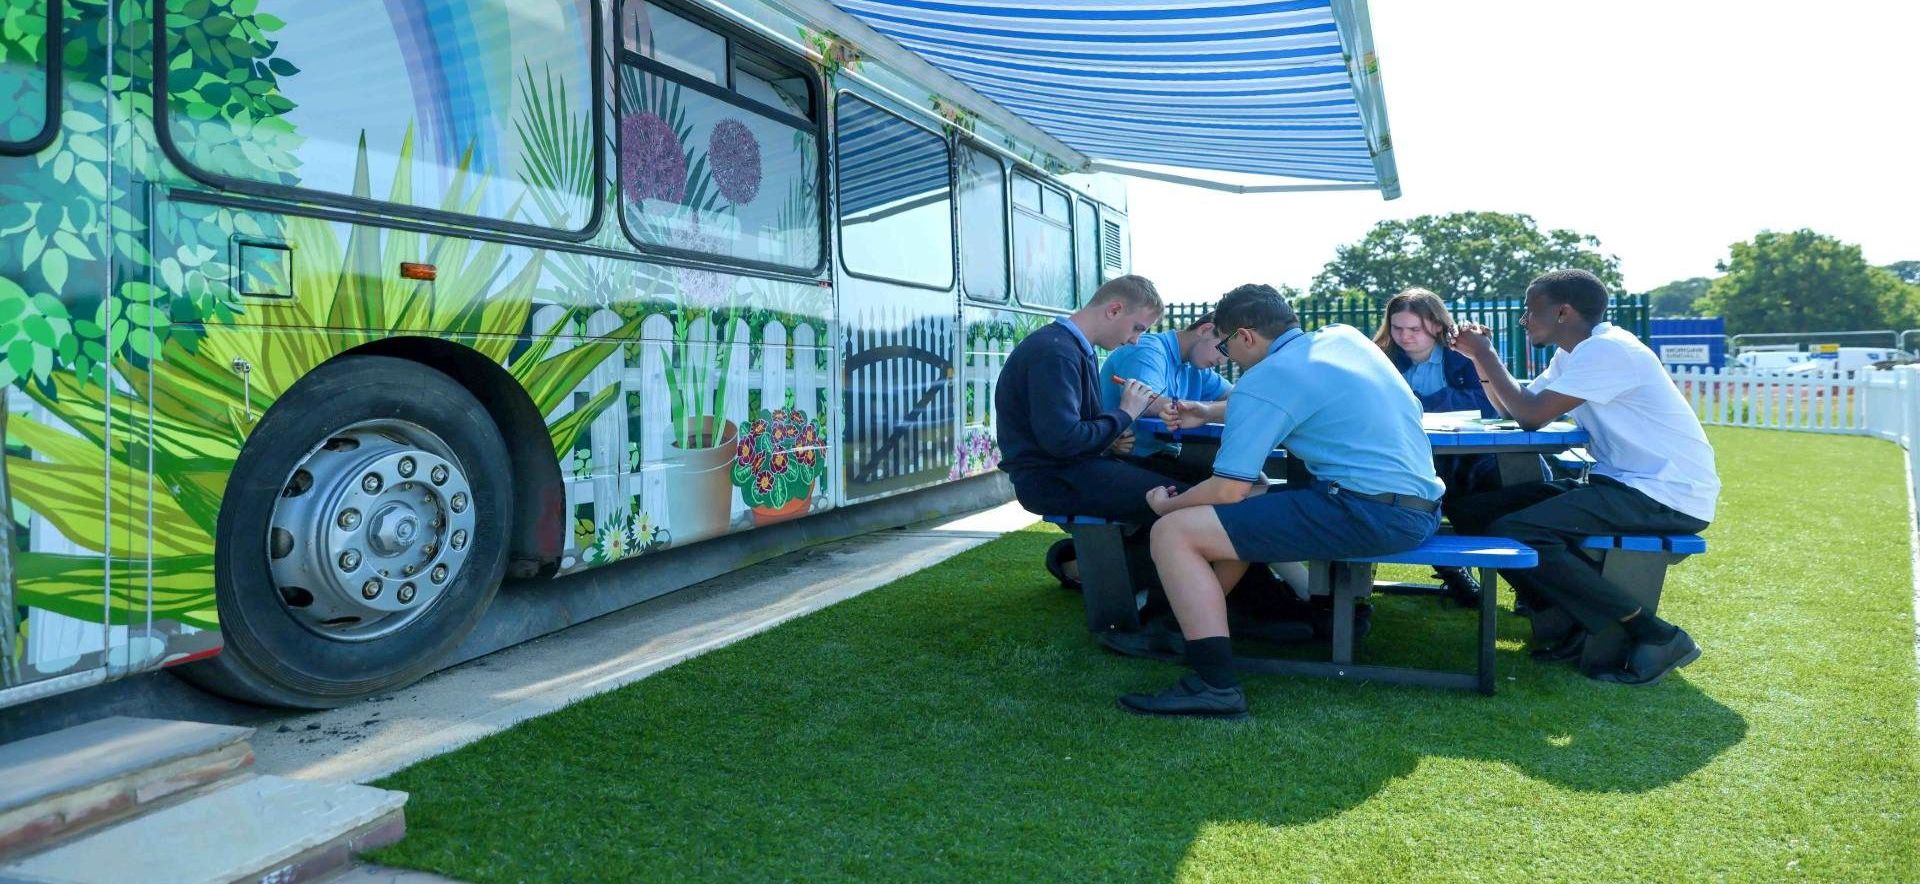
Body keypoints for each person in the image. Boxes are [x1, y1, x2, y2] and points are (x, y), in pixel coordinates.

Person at [1113, 284, 1444, 719]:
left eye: (1227, 346)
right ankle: (1178, 630)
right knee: (1247, 503)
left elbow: (1227, 488)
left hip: (1369, 512)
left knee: (1173, 532)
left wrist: (1166, 506)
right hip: (1419, 508)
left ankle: (1214, 685)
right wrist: (1209, 410)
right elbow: (1293, 398)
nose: (1228, 358)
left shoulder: (1265, 378)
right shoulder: (1344, 338)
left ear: (1246, 336)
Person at [1445, 269, 1719, 686]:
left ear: (1563, 312)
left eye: (1530, 310)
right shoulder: (1572, 354)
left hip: (1666, 493)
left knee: (1517, 530)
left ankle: (1656, 634)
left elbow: (1531, 415)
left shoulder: (1609, 351)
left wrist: (1486, 354)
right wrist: (1479, 358)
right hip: (1624, 484)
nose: (1523, 320)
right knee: (1472, 512)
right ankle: (1570, 622)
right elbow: (1511, 408)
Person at [995, 274, 1170, 524]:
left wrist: (1109, 438)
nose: (1135, 340)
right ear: (1114, 310)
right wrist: (1125, 413)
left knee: (1187, 484)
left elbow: (1069, 431)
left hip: (1067, 470)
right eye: (1137, 328)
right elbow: (1064, 441)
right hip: (1051, 479)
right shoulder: (1055, 353)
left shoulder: (1071, 347)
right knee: (1181, 498)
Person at [1373, 287, 1500, 606]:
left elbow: (1488, 403)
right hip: (1405, 459)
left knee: (1498, 491)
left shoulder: (1465, 355)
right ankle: (1452, 572)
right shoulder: (1381, 359)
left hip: (1469, 459)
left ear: (1437, 325)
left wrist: (1421, 403)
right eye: (1397, 328)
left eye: (1414, 329)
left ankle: (1526, 586)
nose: (1405, 336)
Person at [1098, 311, 1233, 484]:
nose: (1223, 361)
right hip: (1120, 460)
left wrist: (1212, 410)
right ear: (1205, 329)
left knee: (1239, 483)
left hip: (1160, 459)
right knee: (1218, 490)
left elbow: (1239, 398)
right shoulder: (1147, 350)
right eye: (1224, 349)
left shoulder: (1196, 368)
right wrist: (1210, 410)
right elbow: (1147, 402)